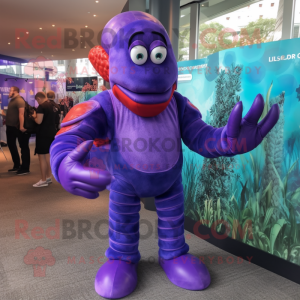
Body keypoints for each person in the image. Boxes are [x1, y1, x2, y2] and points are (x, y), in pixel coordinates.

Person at [32, 92, 57, 187]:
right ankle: (48, 177)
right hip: (51, 133)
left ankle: (43, 180)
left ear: (38, 98)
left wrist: (34, 116)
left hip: (43, 134)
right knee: (48, 156)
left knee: (41, 157)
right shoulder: (52, 106)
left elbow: (39, 121)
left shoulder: (41, 107)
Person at [5, 86, 31, 175]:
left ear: (15, 91)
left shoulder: (19, 100)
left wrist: (21, 126)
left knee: (23, 147)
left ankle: (25, 168)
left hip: (18, 128)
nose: (9, 92)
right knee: (11, 145)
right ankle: (17, 165)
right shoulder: (12, 100)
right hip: (10, 127)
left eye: (10, 90)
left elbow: (21, 114)